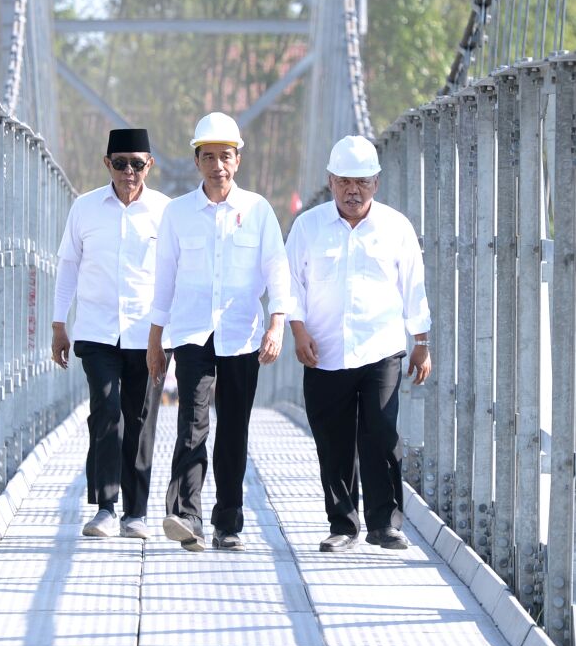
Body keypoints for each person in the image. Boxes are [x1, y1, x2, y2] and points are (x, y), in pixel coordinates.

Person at [147, 112, 291, 551]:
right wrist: (155, 340)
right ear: (196, 161)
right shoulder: (177, 214)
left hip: (242, 337)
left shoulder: (259, 210)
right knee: (192, 422)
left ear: (238, 159)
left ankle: (227, 523)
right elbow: (164, 279)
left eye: (225, 156)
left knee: (234, 430)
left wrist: (277, 323)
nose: (217, 166)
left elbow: (276, 269)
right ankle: (185, 515)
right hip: (192, 335)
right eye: (208, 157)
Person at [285, 135, 431, 552]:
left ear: (376, 183)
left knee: (381, 434)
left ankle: (385, 524)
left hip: (380, 348)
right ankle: (343, 526)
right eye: (345, 181)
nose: (354, 191)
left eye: (363, 182)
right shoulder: (307, 227)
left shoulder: (395, 226)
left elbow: (413, 285)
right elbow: (290, 284)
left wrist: (421, 340)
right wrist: (297, 332)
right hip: (323, 350)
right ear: (330, 181)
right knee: (333, 441)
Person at [52, 128, 171, 539]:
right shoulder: (85, 209)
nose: (128, 172)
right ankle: (104, 506)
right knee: (105, 410)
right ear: (107, 164)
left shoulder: (165, 212)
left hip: (147, 334)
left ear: (149, 165)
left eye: (137, 164)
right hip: (96, 330)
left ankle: (135, 513)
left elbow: (176, 275)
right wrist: (57, 325)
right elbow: (67, 266)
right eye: (120, 163)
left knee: (139, 418)